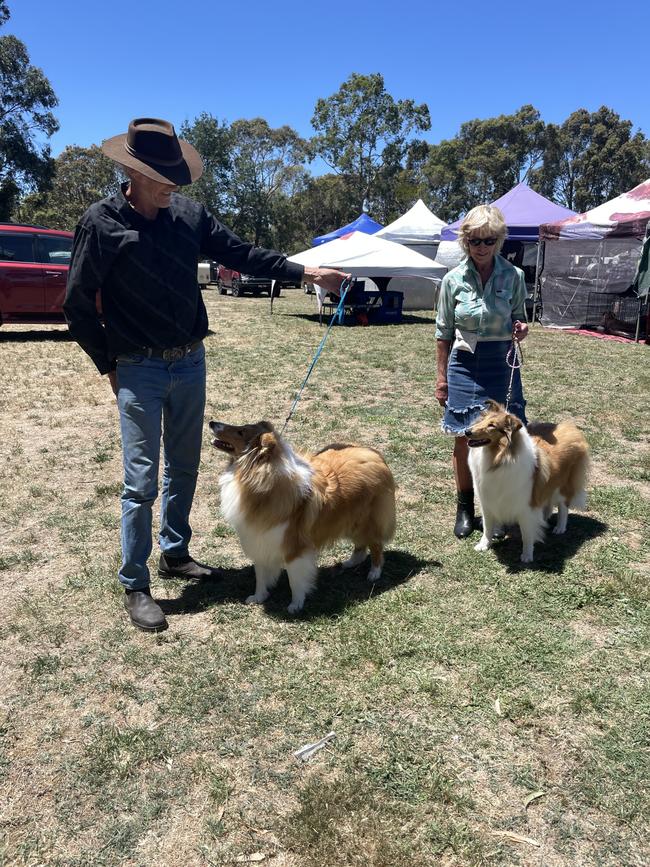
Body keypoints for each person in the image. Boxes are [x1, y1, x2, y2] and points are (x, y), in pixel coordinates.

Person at [64, 117, 348, 633]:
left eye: (176, 174)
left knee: (186, 467)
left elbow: (241, 254)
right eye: (163, 175)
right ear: (133, 171)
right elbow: (77, 303)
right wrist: (107, 364)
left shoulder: (188, 216)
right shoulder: (101, 223)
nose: (174, 185)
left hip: (190, 360)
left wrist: (306, 272)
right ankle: (136, 583)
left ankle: (175, 552)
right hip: (138, 367)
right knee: (141, 479)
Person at [434, 205, 529, 538]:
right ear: (466, 241)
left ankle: (504, 509)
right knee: (465, 438)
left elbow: (520, 317)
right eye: (475, 240)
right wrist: (442, 378)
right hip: (464, 364)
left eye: (489, 240)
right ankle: (465, 507)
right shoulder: (452, 280)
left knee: (508, 435)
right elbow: (443, 333)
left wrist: (521, 328)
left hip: (501, 363)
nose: (482, 247)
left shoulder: (513, 277)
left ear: (499, 240)